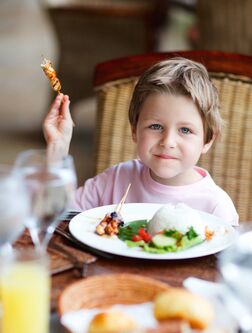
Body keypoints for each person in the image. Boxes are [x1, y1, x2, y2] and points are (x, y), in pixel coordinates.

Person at [43, 57, 239, 226]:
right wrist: (58, 148)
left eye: (185, 130)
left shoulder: (216, 207)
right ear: (134, 130)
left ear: (208, 140)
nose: (168, 141)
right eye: (156, 126)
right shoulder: (116, 180)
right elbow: (59, 215)